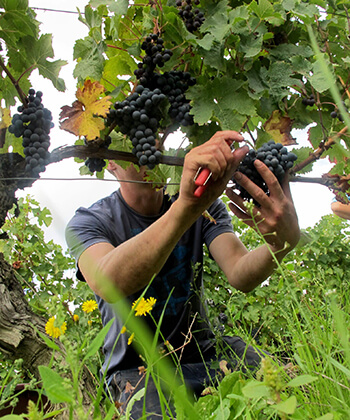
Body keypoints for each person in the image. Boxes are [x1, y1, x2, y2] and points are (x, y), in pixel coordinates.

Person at [65, 130, 300, 418]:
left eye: (157, 140)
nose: (151, 148)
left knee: (292, 389)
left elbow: (241, 273)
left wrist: (281, 244)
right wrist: (187, 207)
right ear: (111, 163)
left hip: (205, 351)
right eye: (135, 143)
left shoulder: (204, 203)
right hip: (137, 371)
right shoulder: (89, 221)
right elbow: (108, 282)